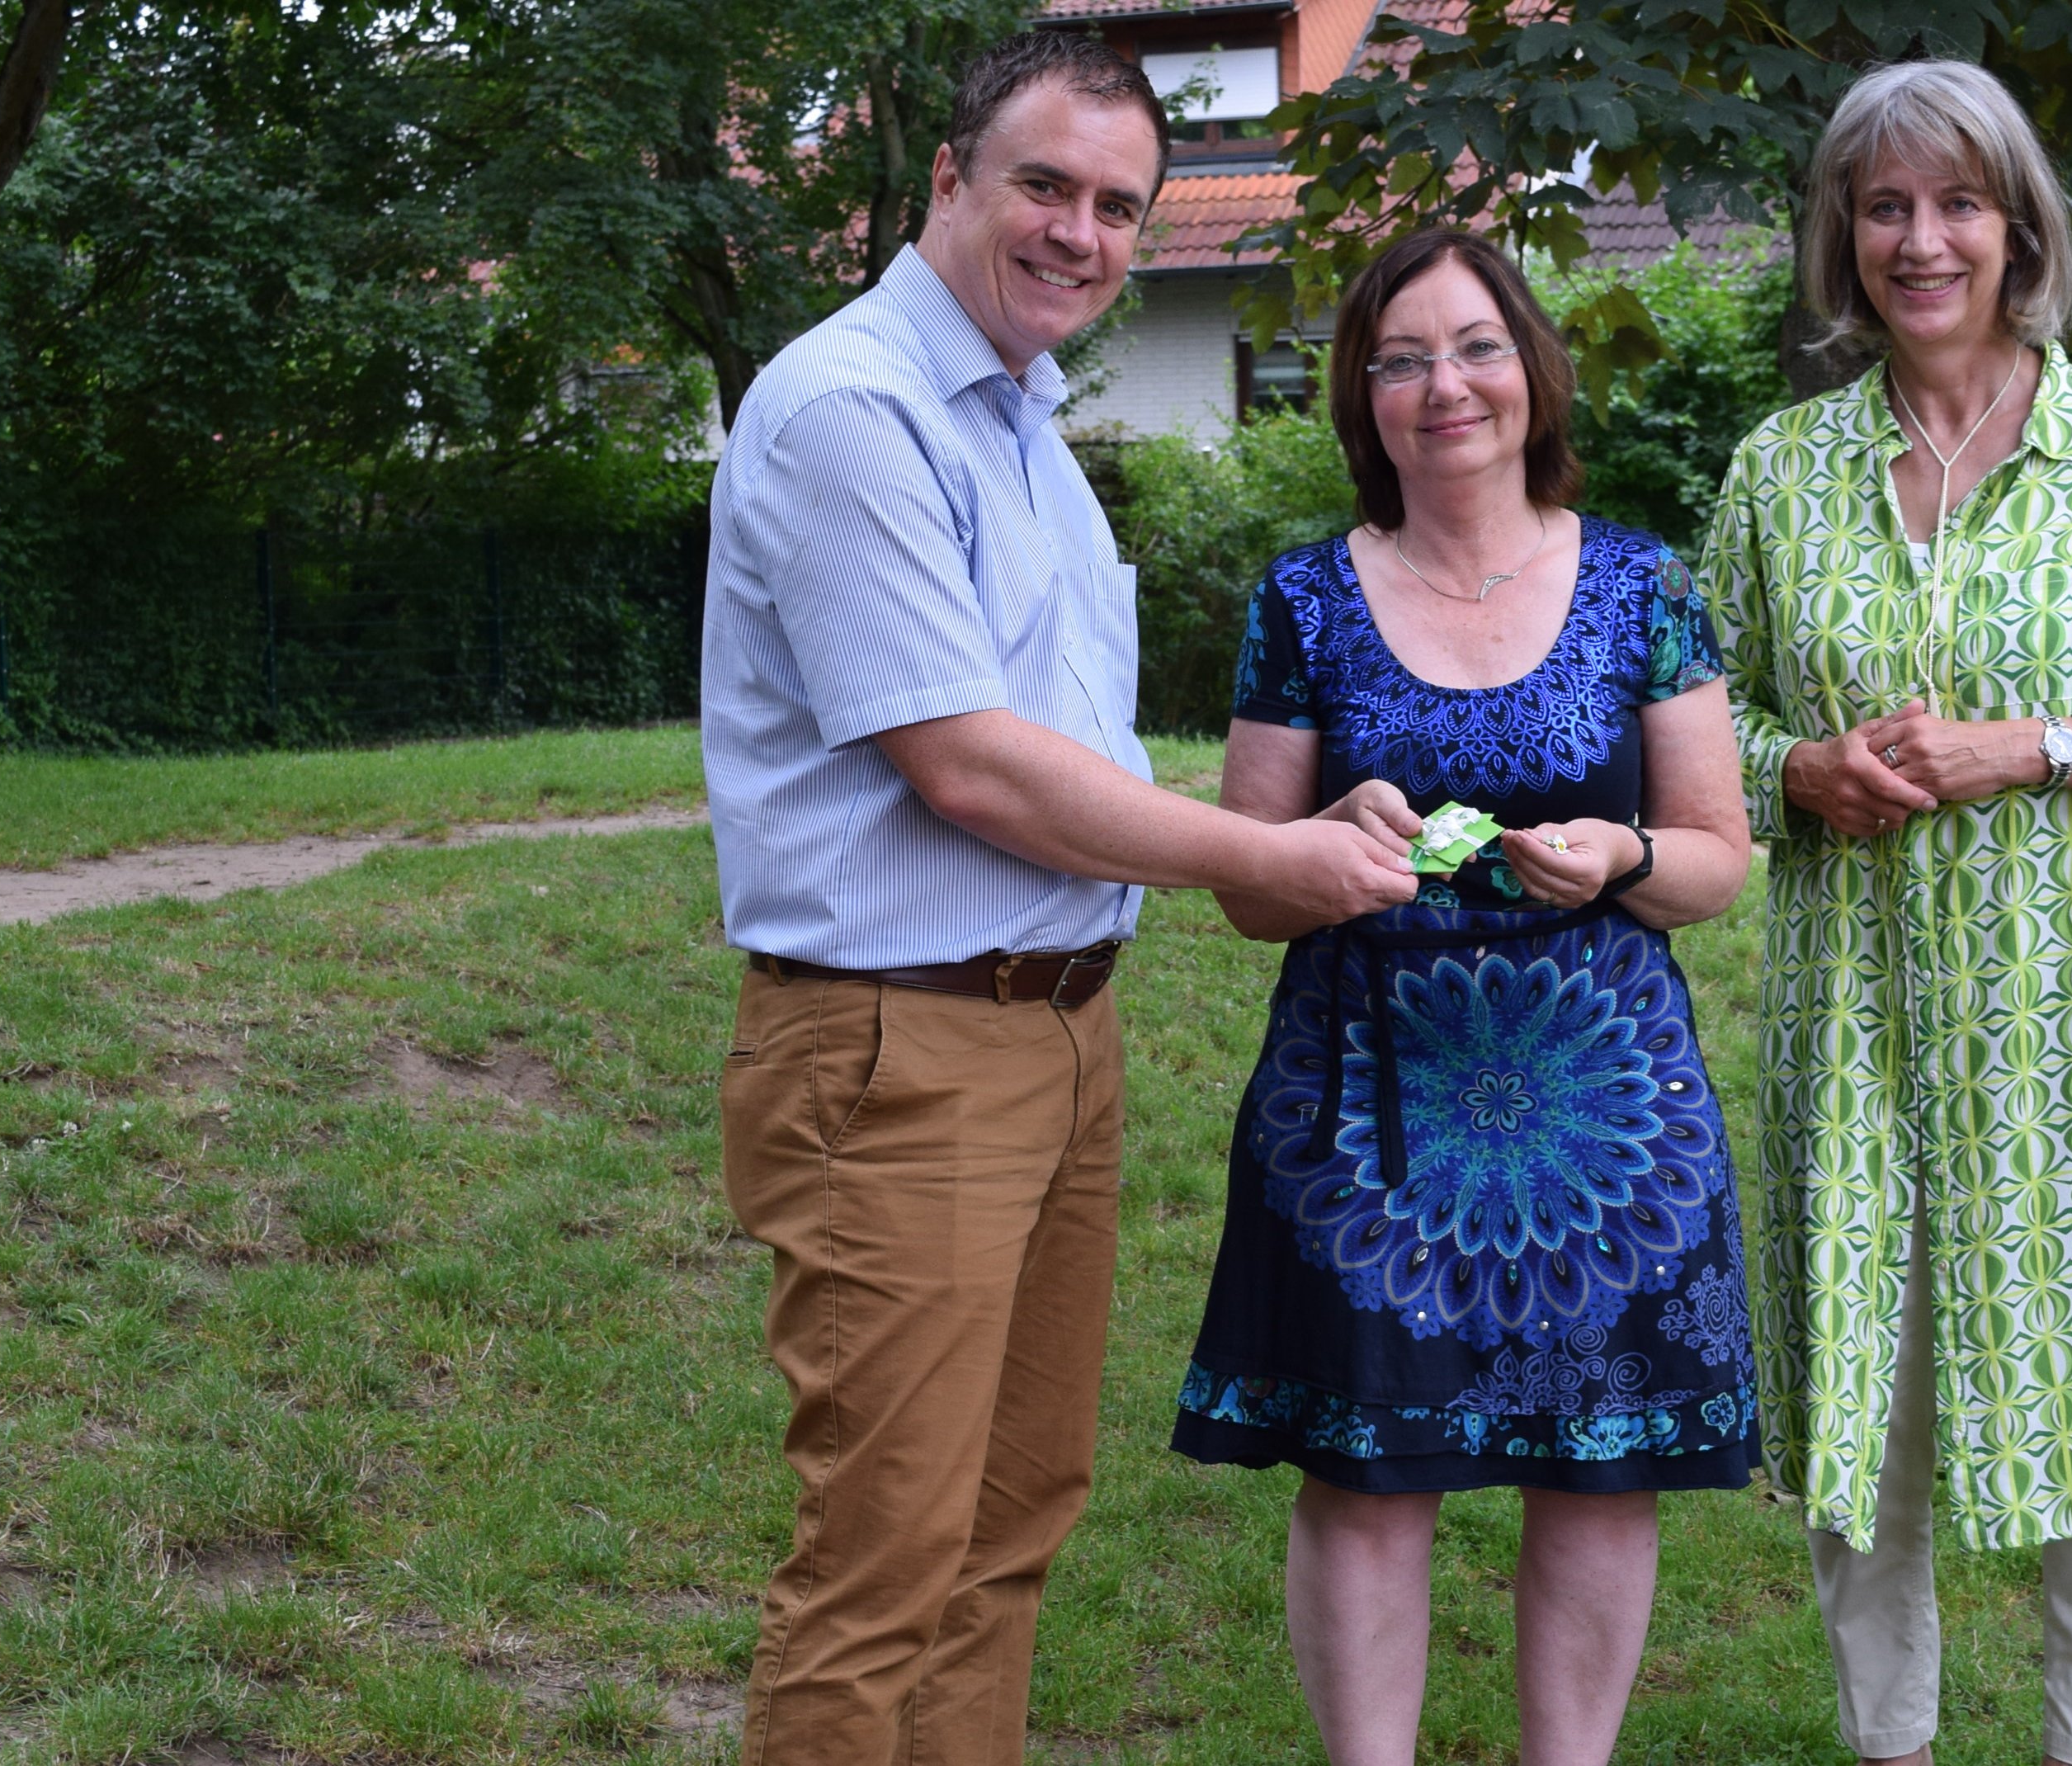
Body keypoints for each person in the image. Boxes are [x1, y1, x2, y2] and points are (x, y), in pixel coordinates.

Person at [698, 34, 1424, 1764]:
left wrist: (1308, 815)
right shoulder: (849, 409)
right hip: (902, 1050)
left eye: (1117, 204)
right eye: (1045, 184)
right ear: (947, 178)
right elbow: (970, 765)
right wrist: (1270, 857)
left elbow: (1063, 745)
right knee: (881, 1565)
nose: (1081, 233)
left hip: (1053, 1035)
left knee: (1008, 1525)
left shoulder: (1018, 422)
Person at [1697, 59, 2072, 1766]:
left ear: (2018, 224)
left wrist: (2036, 745)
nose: (1921, 238)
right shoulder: (1780, 472)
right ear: (1840, 236)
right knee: (1864, 1417)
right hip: (1857, 1022)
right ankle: (1885, 1740)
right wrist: (1796, 764)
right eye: (1883, 205)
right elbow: (1692, 729)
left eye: (1957, 201)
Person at [1167, 228, 1758, 1766]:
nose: (1447, 386)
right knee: (1368, 1475)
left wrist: (1624, 850)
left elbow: (1716, 861)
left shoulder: (1643, 582)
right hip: (1362, 1097)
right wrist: (1324, 851)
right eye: (1404, 359)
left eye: (1478, 347)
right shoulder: (1300, 600)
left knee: (1599, 1469)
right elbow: (1243, 886)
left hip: (1606, 1110)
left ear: (1533, 371)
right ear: (1363, 399)